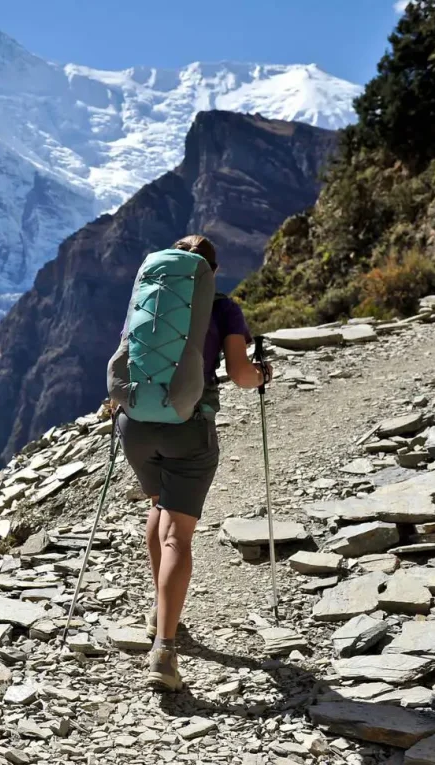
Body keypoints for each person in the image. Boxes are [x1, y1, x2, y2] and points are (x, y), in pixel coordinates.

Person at [106, 235, 272, 691]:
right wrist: (262, 373)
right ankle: (164, 648)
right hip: (188, 427)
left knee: (158, 504)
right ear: (211, 272)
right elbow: (240, 375)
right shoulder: (223, 307)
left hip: (135, 425)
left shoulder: (150, 296)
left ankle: (160, 610)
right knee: (178, 530)